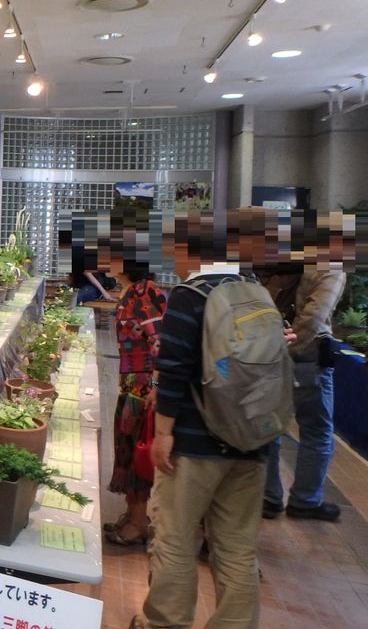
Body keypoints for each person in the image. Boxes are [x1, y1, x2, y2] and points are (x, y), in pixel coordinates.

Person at [132, 252, 291, 629]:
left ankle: (164, 623)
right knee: (237, 548)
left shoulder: (191, 295)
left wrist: (164, 433)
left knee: (175, 537)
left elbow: (174, 368)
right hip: (252, 440)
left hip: (195, 443)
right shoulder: (256, 291)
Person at [260, 261, 346, 521]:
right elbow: (315, 317)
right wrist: (290, 351)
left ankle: (268, 496)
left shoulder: (279, 264)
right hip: (308, 359)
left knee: (269, 428)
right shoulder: (330, 268)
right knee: (317, 431)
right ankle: (305, 500)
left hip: (269, 355)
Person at [104, 264, 166, 546]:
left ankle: (139, 522)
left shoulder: (145, 295)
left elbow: (162, 346)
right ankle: (132, 514)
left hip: (143, 389)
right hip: (133, 384)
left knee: (137, 451)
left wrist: (154, 387)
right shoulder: (130, 291)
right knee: (127, 449)